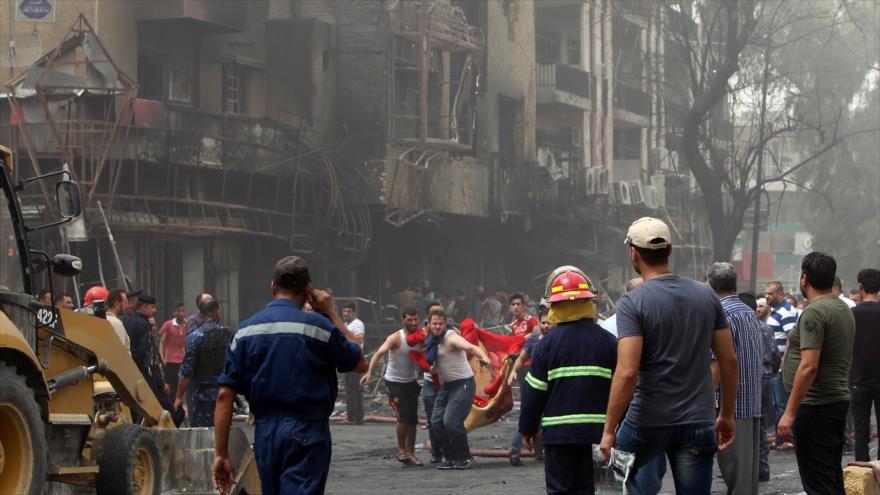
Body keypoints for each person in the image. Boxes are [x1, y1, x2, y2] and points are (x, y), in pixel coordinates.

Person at [599, 217, 738, 494]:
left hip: (645, 422)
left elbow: (627, 372)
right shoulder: (707, 295)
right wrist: (726, 415)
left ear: (633, 253)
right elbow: (729, 361)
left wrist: (609, 429)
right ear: (670, 250)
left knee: (615, 483)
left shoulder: (632, 301)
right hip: (697, 420)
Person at [213, 256, 366, 495]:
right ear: (308, 291)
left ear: (273, 287)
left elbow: (224, 395)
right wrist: (332, 313)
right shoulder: (320, 327)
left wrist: (221, 453)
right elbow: (360, 363)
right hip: (307, 432)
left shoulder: (245, 331)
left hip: (265, 436)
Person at [519, 266, 616, 494]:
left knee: (561, 490)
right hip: (598, 434)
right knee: (592, 489)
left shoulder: (546, 345)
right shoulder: (609, 342)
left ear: (555, 306)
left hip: (558, 436)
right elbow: (622, 387)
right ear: (588, 303)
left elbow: (534, 391)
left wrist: (528, 428)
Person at [776, 252, 855, 494]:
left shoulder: (814, 312)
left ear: (804, 279)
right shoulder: (842, 308)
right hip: (835, 401)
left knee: (819, 483)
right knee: (831, 477)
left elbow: (809, 366)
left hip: (815, 406)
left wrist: (789, 412)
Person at [707, 263, 764, 494]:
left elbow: (716, 365)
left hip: (728, 408)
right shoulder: (748, 312)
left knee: (735, 477)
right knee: (746, 480)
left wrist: (704, 401)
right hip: (751, 405)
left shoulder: (720, 314)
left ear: (709, 284)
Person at [428, 308, 491, 470]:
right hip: (447, 386)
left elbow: (470, 347)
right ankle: (450, 457)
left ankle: (464, 456)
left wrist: (483, 357)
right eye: (434, 323)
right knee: (436, 422)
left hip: (463, 384)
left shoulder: (451, 338)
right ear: (428, 324)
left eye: (440, 324)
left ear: (445, 324)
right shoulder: (431, 340)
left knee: (450, 421)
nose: (437, 326)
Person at [360, 307, 423, 466]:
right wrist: (369, 372)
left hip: (410, 382)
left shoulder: (421, 336)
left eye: (416, 319)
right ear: (403, 320)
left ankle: (411, 453)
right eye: (410, 320)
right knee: (403, 415)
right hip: (394, 382)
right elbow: (379, 353)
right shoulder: (396, 338)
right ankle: (402, 450)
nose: (413, 323)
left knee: (413, 419)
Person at [508, 302, 555, 466]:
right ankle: (515, 452)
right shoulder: (534, 341)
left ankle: (540, 452)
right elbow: (521, 358)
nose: (546, 325)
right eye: (543, 322)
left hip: (553, 386)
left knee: (545, 420)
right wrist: (514, 371)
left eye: (549, 322)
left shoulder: (559, 341)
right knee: (529, 416)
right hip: (536, 384)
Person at [174, 299, 232, 427]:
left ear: (201, 315)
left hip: (202, 394)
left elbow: (186, 371)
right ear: (218, 312)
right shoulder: (230, 334)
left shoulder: (195, 336)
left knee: (202, 433)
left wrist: (179, 397)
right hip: (225, 391)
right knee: (223, 430)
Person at [849, 268, 880, 462]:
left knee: (860, 429)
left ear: (860, 287)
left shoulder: (851, 314)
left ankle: (861, 468)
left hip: (858, 379)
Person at [764, 280, 799, 449]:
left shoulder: (786, 312)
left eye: (770, 293)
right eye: (766, 293)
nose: (766, 296)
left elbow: (792, 338)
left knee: (782, 404)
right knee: (778, 403)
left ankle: (785, 439)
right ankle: (780, 438)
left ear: (780, 294)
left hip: (782, 366)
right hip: (776, 364)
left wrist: (784, 362)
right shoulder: (777, 312)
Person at [754, 297, 780, 482]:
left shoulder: (737, 325)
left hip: (749, 377)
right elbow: (775, 353)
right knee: (762, 423)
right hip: (766, 376)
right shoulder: (766, 328)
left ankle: (745, 467)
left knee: (746, 423)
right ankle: (762, 466)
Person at [342, 302, 365, 424]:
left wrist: (343, 338)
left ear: (354, 312)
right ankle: (358, 417)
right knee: (354, 389)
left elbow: (360, 339)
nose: (346, 314)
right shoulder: (347, 324)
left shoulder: (358, 323)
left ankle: (351, 417)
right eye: (344, 311)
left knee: (351, 389)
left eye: (348, 311)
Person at [160, 302, 188, 398]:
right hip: (170, 360)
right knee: (171, 387)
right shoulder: (168, 325)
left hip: (182, 360)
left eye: (183, 311)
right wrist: (161, 358)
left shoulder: (187, 325)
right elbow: (162, 342)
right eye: (179, 311)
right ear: (174, 312)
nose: (181, 313)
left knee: (181, 386)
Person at [105, 288, 131, 353]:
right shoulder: (116, 323)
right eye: (125, 303)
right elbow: (120, 352)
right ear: (117, 304)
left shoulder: (102, 319)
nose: (127, 306)